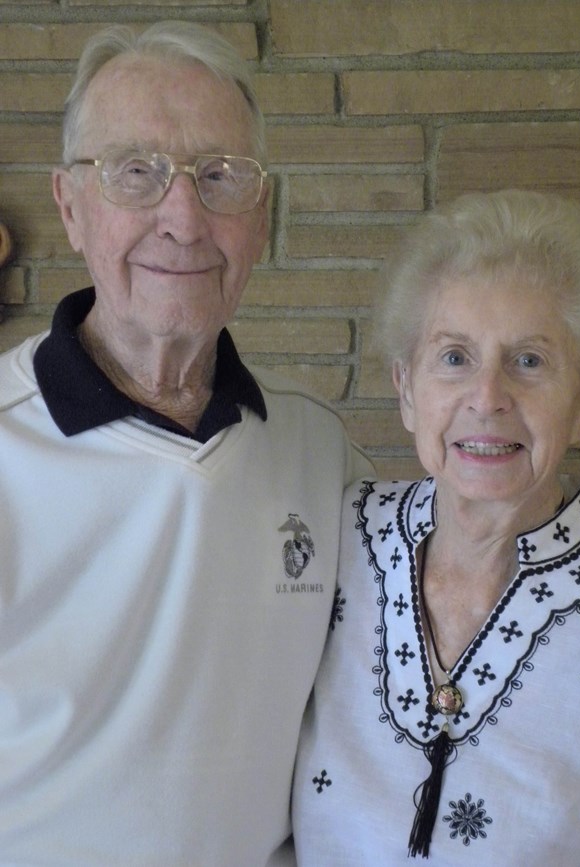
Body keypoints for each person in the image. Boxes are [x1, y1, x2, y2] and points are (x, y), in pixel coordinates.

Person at [0, 21, 372, 866]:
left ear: (261, 214)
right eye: (136, 172)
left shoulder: (324, 456)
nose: (184, 217)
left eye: (220, 176)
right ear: (70, 205)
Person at [292, 190, 580, 865]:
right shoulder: (339, 538)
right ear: (406, 389)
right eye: (454, 357)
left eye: (530, 361)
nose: (487, 397)